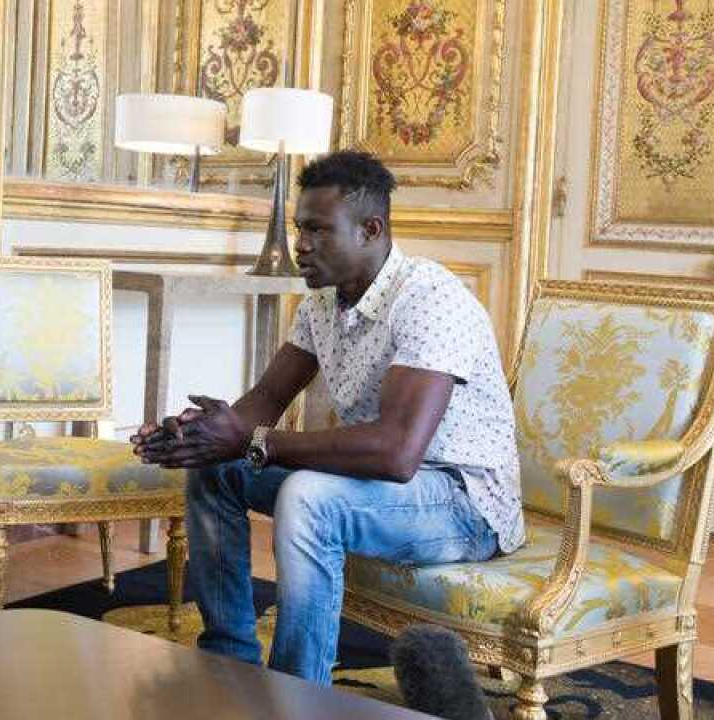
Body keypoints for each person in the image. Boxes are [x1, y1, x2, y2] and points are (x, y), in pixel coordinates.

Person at [131, 150, 523, 685]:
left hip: (460, 502)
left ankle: (298, 694)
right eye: (298, 229)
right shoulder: (321, 304)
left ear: (370, 229)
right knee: (216, 470)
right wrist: (197, 434)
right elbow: (262, 402)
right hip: (375, 485)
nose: (301, 246)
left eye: (318, 230)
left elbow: (396, 453)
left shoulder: (432, 300)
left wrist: (255, 441)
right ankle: (229, 665)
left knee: (306, 496)